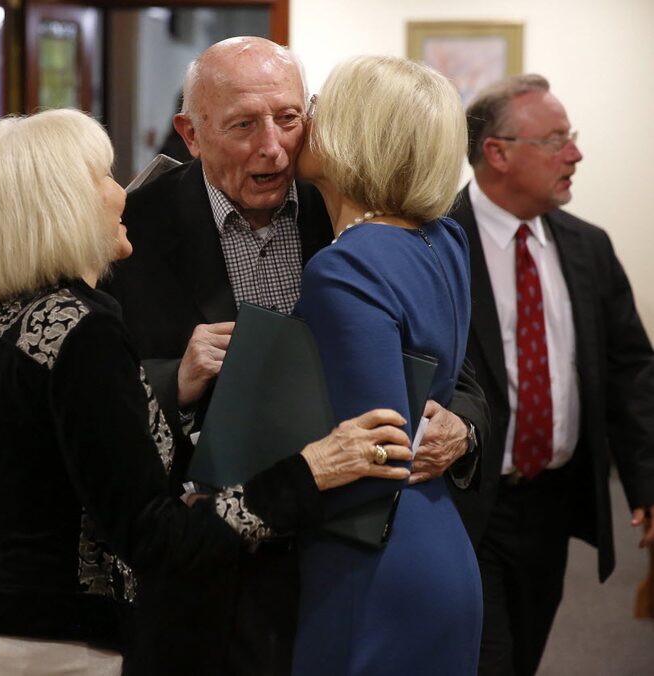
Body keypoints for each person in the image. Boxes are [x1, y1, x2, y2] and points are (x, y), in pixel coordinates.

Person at [0, 108, 414, 676]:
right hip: (46, 647)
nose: (122, 193)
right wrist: (311, 470)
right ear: (62, 205)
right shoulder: (84, 330)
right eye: (103, 177)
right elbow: (157, 540)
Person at [107, 36, 489, 675]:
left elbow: (458, 368)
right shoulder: (129, 230)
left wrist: (463, 427)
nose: (273, 147)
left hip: (345, 551)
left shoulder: (350, 203)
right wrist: (179, 376)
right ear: (190, 133)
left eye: (289, 119)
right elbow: (89, 390)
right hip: (208, 574)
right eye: (243, 125)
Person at [447, 73, 654, 676]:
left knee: (526, 653)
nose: (575, 154)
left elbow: (630, 372)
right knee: (487, 660)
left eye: (574, 136)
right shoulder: (438, 240)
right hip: (467, 503)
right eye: (555, 139)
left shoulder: (588, 247)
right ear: (498, 153)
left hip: (554, 501)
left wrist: (646, 482)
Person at [291, 55, 483, 676]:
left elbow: (370, 455)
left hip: (371, 555)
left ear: (358, 134)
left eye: (321, 106)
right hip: (437, 541)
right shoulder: (443, 238)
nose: (309, 118)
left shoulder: (345, 266)